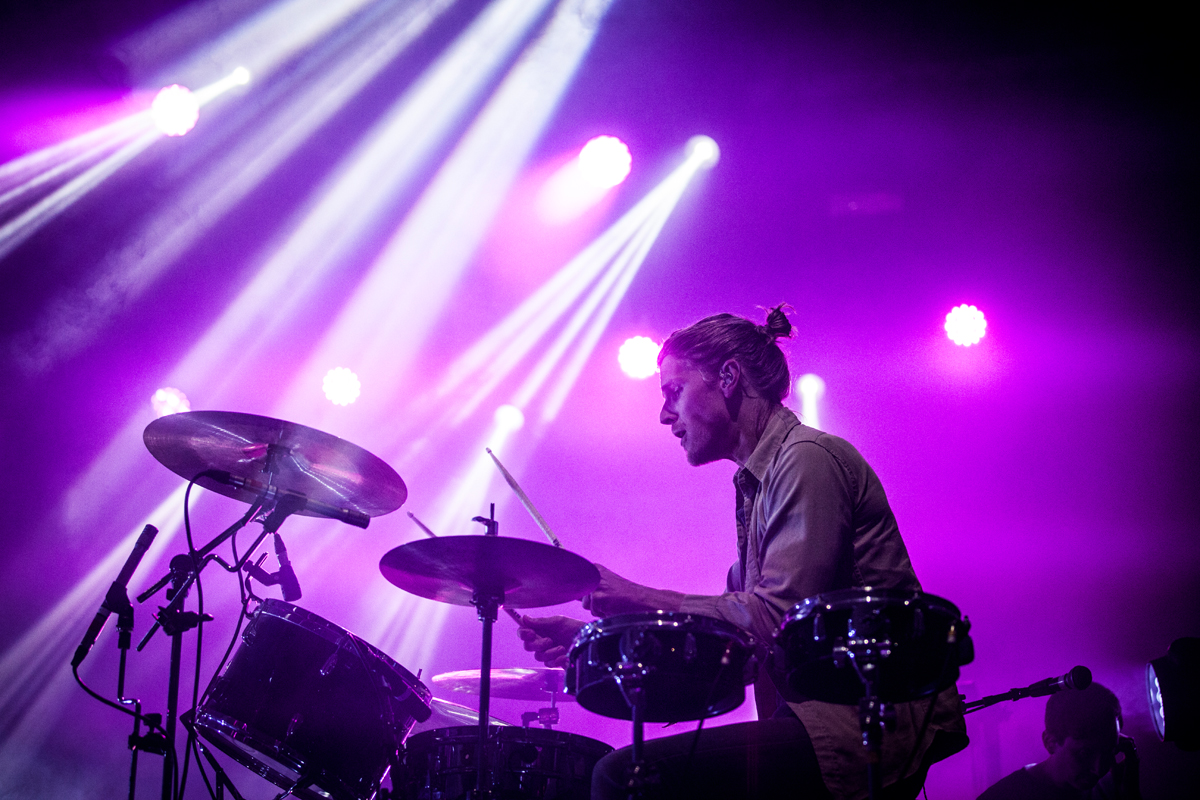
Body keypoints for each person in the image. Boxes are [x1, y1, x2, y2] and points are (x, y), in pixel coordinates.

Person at [518, 305, 968, 799]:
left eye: (675, 392)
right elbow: (733, 653)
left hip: (858, 725)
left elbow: (772, 618)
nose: (665, 415)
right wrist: (601, 649)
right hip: (818, 722)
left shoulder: (807, 461)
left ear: (728, 377)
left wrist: (633, 597)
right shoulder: (762, 482)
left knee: (620, 778)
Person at [978, 683, 1140, 800]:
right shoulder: (1004, 796)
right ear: (1050, 742)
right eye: (1084, 754)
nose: (1098, 769)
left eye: (1108, 753)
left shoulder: (1113, 787)